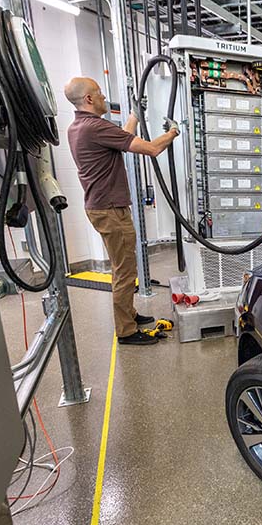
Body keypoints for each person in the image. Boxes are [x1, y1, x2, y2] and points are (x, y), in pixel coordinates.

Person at [64, 77, 179, 346]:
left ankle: (129, 313)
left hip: (102, 208)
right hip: (111, 211)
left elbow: (123, 137)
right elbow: (151, 149)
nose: (104, 97)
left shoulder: (79, 126)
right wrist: (173, 132)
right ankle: (126, 330)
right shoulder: (94, 127)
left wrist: (134, 115)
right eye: (100, 93)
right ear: (89, 99)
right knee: (125, 271)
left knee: (123, 267)